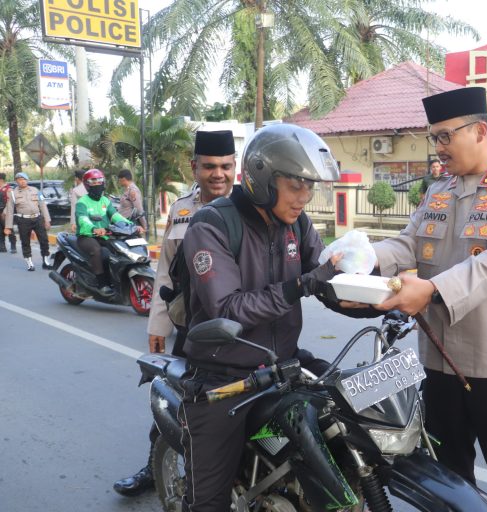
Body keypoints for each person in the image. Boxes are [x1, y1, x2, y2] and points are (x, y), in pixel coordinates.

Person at [178, 124, 372, 512]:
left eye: (309, 186)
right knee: (209, 502)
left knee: (357, 409)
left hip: (284, 363)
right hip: (224, 376)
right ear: (264, 177)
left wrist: (377, 298)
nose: (305, 197)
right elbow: (228, 308)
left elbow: (323, 277)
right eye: (296, 185)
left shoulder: (296, 224)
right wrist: (301, 286)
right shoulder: (212, 225)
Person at [371, 86, 487, 511]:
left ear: (480, 130)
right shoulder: (438, 191)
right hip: (439, 359)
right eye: (435, 138)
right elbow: (408, 244)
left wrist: (430, 289)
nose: (439, 147)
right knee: (448, 475)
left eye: (446, 136)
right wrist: (363, 257)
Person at [113, 130, 237, 497]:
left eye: (226, 166)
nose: (219, 174)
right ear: (194, 167)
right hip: (191, 328)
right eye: (210, 166)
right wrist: (158, 325)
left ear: (235, 167)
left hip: (239, 330)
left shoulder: (251, 208)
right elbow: (165, 270)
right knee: (169, 397)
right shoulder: (182, 210)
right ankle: (157, 462)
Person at [74, 169, 140, 296]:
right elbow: (83, 219)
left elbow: (115, 215)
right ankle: (102, 284)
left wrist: (131, 225)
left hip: (105, 234)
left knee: (119, 250)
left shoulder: (105, 200)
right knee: (97, 251)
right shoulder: (82, 202)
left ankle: (117, 279)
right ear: (87, 185)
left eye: (100, 182)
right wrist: (94, 228)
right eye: (93, 182)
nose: (97, 185)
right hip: (86, 236)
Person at [4, 172, 52, 271]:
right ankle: (29, 262)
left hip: (38, 218)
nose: (22, 181)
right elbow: (9, 210)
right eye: (20, 179)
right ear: (16, 181)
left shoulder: (36, 190)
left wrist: (47, 220)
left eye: (24, 179)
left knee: (44, 240)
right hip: (23, 220)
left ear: (27, 180)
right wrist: (8, 226)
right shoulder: (13, 193)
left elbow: (43, 205)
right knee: (25, 242)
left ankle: (46, 261)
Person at [0, 172, 17, 253]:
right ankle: (2, 246)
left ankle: (13, 246)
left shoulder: (9, 189)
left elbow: (11, 201)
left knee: (9, 229)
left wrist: (5, 211)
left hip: (6, 212)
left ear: (1, 180)